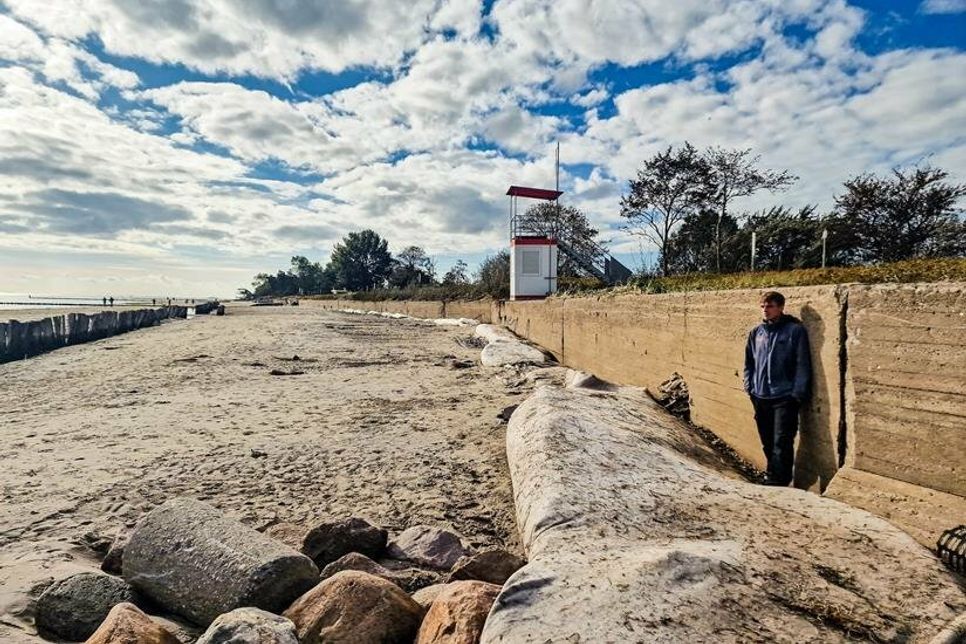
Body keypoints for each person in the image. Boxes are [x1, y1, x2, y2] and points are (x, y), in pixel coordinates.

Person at [743, 291, 811, 486]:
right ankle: (771, 474)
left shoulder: (794, 331)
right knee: (767, 440)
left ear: (781, 307)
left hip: (784, 396)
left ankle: (780, 481)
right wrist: (749, 386)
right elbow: (749, 363)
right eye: (763, 306)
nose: (766, 310)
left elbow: (802, 363)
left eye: (770, 306)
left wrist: (797, 394)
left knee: (782, 441)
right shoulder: (756, 333)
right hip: (760, 396)